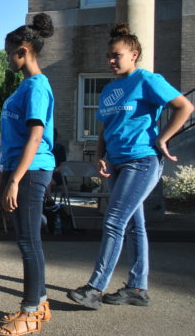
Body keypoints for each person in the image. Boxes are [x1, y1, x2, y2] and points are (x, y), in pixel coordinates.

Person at [67, 24, 193, 310]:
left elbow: (184, 106)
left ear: (133, 54)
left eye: (116, 56)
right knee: (135, 226)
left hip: (142, 161)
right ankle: (137, 288)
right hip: (116, 163)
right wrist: (100, 154)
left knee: (113, 220)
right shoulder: (109, 88)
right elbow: (104, 126)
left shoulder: (146, 80)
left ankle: (95, 288)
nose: (111, 61)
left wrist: (164, 137)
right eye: (108, 56)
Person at [0, 13, 55, 336]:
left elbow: (35, 137)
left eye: (9, 52)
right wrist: (4, 179)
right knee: (27, 240)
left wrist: (15, 180)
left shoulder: (37, 87)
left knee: (29, 242)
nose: (7, 58)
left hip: (31, 172)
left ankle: (30, 313)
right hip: (20, 170)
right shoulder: (27, 86)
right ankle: (40, 303)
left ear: (25, 49)